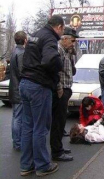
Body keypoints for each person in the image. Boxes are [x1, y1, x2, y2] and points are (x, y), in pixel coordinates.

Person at [19, 15, 64, 177]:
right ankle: (43, 165)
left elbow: (27, 59)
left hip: (25, 83)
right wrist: (59, 71)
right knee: (40, 128)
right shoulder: (50, 38)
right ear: (58, 27)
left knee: (28, 127)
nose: (62, 33)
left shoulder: (35, 35)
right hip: (39, 86)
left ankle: (26, 165)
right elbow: (50, 60)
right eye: (62, 29)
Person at [50, 27, 78, 162]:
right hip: (60, 90)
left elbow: (72, 71)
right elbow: (55, 71)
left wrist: (73, 54)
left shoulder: (67, 51)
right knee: (57, 122)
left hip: (66, 89)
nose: (73, 43)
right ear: (64, 38)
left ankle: (58, 147)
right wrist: (59, 87)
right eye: (72, 40)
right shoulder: (58, 50)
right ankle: (56, 151)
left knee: (61, 122)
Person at [9, 31, 27, 151]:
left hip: (15, 89)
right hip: (19, 90)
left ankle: (17, 141)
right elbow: (22, 72)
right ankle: (18, 142)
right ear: (25, 40)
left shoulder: (15, 51)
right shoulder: (21, 53)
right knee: (18, 118)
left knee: (16, 116)